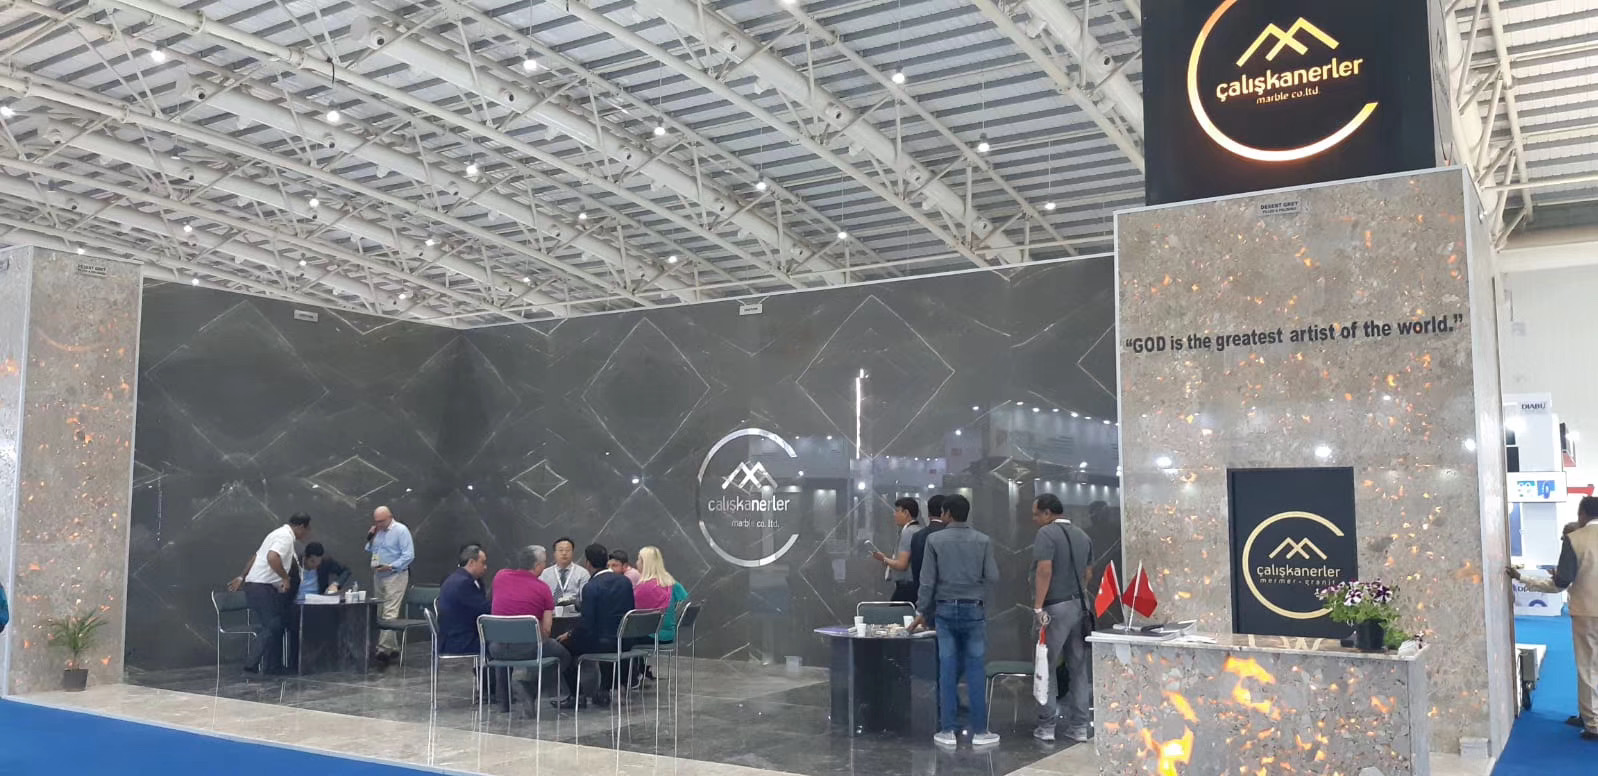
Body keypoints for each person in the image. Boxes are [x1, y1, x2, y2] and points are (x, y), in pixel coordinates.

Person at [912, 494, 1000, 748]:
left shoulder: (934, 540)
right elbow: (992, 575)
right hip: (974, 610)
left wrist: (922, 610)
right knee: (976, 669)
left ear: (947, 513)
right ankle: (980, 731)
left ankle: (947, 730)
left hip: (945, 611)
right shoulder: (983, 540)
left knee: (947, 669)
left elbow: (927, 581)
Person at [1511, 496, 1598, 741]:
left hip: (1587, 611)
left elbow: (1561, 582)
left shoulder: (1575, 539)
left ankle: (1593, 722)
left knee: (1588, 667)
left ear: (1582, 514)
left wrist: (1523, 578)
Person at [1029, 494, 1094, 743]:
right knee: (1078, 668)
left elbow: (1044, 570)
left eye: (1036, 514)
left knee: (1046, 665)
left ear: (1048, 513)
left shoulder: (1046, 534)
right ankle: (1080, 727)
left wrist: (1038, 606)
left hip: (1054, 607)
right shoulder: (1083, 535)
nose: (1034, 519)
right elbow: (1088, 574)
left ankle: (1047, 726)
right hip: (1081, 606)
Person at [228, 513, 311, 675]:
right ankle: (252, 663)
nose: (307, 533)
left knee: (276, 624)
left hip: (258, 587)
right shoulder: (285, 537)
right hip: (261, 588)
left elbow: (256, 557)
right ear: (301, 527)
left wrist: (242, 576)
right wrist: (285, 578)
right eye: (307, 529)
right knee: (273, 624)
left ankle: (272, 666)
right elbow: (272, 557)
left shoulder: (275, 534)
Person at [556, 543, 635, 709]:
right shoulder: (625, 582)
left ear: (588, 564)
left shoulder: (591, 587)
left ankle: (576, 696)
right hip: (624, 641)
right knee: (601, 638)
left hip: (602, 642)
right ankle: (603, 690)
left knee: (562, 648)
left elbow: (587, 625)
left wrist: (569, 635)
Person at [489, 545, 571, 703]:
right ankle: (531, 688)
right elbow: (546, 630)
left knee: (504, 641)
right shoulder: (543, 589)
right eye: (544, 562)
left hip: (497, 649)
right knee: (563, 655)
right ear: (537, 566)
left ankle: (503, 700)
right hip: (529, 648)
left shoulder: (500, 576)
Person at [366, 506, 415, 665]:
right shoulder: (378, 532)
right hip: (379, 574)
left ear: (390, 517)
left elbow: (409, 555)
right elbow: (370, 549)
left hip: (395, 574)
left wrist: (392, 566)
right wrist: (370, 536)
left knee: (390, 611)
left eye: (381, 521)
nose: (378, 524)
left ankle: (383, 648)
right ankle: (393, 647)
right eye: (376, 521)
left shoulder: (401, 531)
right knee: (380, 611)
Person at [634, 546, 690, 681]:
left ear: (645, 563)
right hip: (670, 635)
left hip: (652, 636)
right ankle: (640, 671)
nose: (636, 563)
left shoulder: (642, 588)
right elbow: (685, 600)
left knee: (622, 639)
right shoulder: (672, 583)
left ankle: (630, 677)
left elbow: (633, 613)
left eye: (639, 560)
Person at [438, 544, 492, 655]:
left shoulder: (454, 578)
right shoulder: (464, 584)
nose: (485, 567)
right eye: (482, 563)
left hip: (450, 638)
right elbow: (483, 610)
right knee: (502, 644)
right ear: (471, 562)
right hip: (460, 642)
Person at [873, 497, 922, 602]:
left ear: (906, 513)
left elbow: (902, 565)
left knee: (895, 611)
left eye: (897, 511)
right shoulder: (919, 530)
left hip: (907, 587)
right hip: (917, 585)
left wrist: (884, 559)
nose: (894, 514)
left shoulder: (908, 532)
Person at [909, 494, 949, 615]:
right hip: (948, 599)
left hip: (923, 598)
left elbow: (915, 570)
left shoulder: (917, 536)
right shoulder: (950, 535)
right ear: (945, 512)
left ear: (928, 513)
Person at [540, 537, 589, 617]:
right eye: (560, 550)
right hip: (551, 616)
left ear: (573, 553)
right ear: (554, 553)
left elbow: (584, 600)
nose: (564, 553)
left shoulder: (582, 573)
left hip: (574, 617)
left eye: (567, 550)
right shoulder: (544, 574)